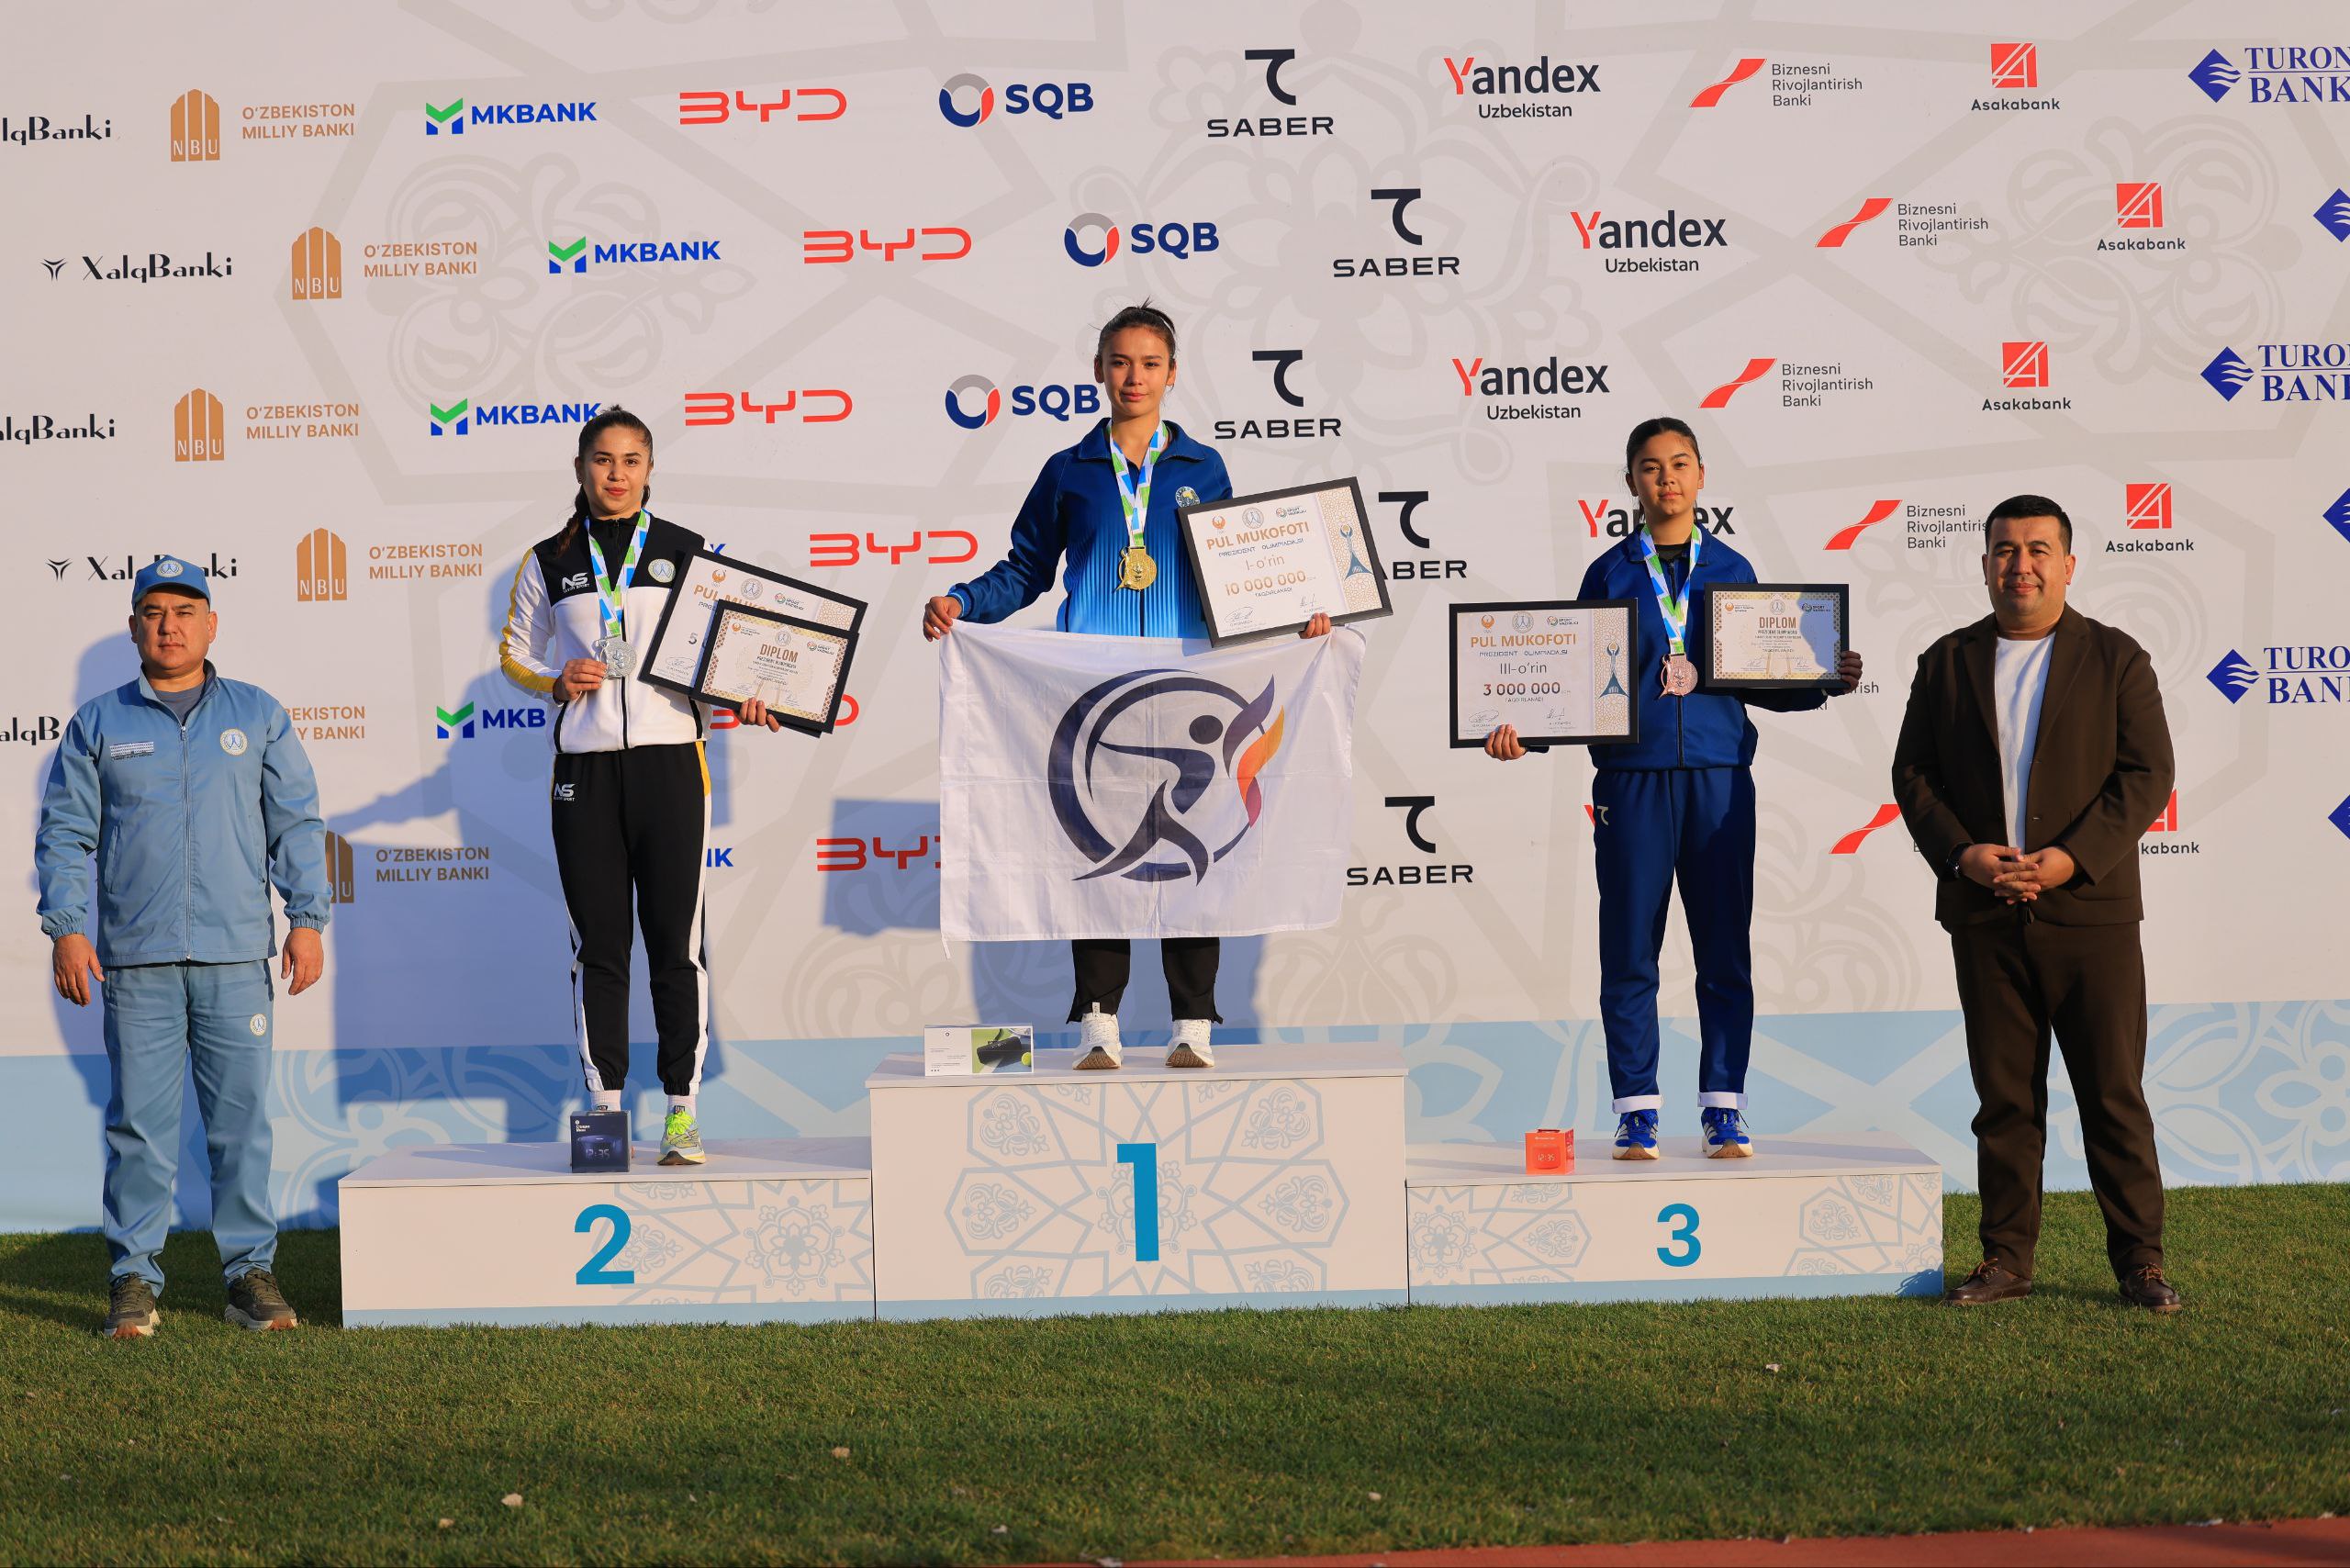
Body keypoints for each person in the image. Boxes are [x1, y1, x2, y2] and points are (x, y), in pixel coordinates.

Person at [923, 302, 1329, 1072]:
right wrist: (965, 602)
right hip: (1095, 688)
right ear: (1099, 371)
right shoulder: (1069, 470)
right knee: (1097, 847)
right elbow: (1026, 569)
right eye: (1119, 362)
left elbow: (1240, 574)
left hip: (1187, 683)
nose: (1133, 377)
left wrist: (1295, 613)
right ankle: (1098, 1021)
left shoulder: (1204, 469)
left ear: (1173, 375)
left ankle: (1193, 1022)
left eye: (1149, 364)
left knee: (1195, 847)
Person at [1485, 417, 1862, 1159]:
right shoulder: (1609, 573)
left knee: (1724, 951)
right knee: (1630, 949)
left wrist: (1823, 681)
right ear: (1631, 481)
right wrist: (1526, 730)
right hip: (1631, 781)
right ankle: (1636, 1110)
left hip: (1720, 780)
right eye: (1652, 467)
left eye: (1680, 464)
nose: (1667, 479)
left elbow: (1759, 678)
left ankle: (1725, 1107)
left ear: (1701, 476)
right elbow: (1574, 682)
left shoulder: (1733, 569)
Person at [1891, 495, 2180, 1313]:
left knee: (2113, 1095)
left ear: (2068, 564)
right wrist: (1963, 855)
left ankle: (2141, 1263)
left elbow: (2147, 773)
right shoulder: (1946, 661)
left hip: (2091, 913)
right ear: (1985, 564)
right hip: (1984, 915)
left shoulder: (2117, 657)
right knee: (2005, 1100)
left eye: (2038, 549)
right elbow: (1913, 774)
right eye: (2005, 550)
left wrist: (2070, 860)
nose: (2021, 565)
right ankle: (2005, 1259)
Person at [37, 557, 330, 1339]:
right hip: (137, 961)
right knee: (139, 1129)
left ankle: (248, 1277)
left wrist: (307, 918)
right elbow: (64, 834)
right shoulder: (100, 722)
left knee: (242, 1127)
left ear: (212, 624)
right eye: (155, 612)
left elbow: (296, 823)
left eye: (185, 611)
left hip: (235, 957)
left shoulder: (257, 714)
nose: (170, 626)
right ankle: (133, 1278)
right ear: (135, 626)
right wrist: (67, 926)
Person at [500, 406, 784, 1166]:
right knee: (599, 947)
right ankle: (605, 1114)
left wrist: (753, 696)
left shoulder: (688, 551)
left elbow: (727, 652)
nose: (616, 474)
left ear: (650, 469)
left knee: (676, 946)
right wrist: (555, 680)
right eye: (603, 459)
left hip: (671, 765)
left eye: (631, 460)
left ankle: (682, 1112)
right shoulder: (548, 559)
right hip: (585, 771)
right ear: (580, 468)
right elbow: (516, 656)